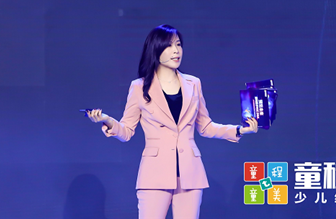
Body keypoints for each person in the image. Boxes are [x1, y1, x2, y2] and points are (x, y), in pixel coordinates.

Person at [86, 24, 258, 219]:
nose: (176, 50)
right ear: (156, 49)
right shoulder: (139, 87)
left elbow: (205, 126)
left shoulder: (194, 83)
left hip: (190, 175)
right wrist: (107, 120)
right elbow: (126, 131)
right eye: (169, 46)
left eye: (178, 44)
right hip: (154, 174)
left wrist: (239, 130)